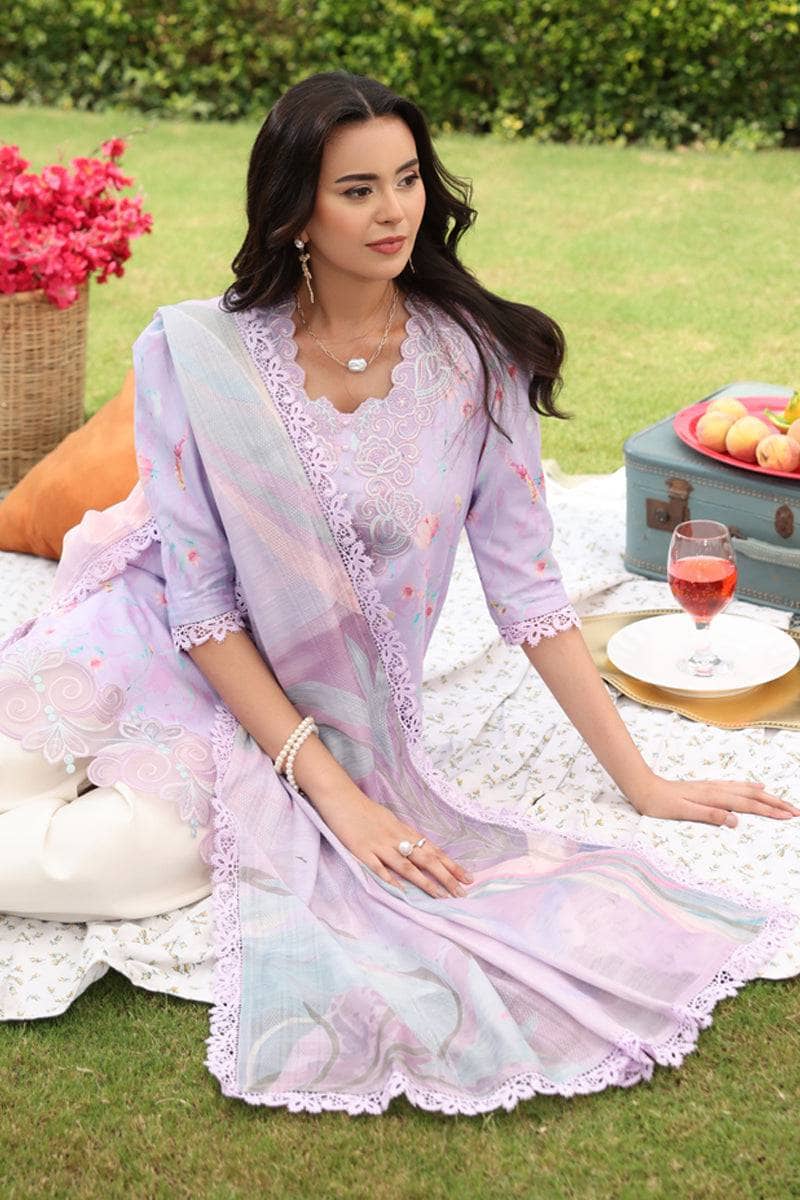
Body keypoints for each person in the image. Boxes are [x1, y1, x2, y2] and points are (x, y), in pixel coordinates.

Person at [0, 71, 797, 1115]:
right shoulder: (196, 354)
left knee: (117, 864)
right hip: (148, 639)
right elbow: (197, 606)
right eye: (357, 189)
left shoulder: (478, 362)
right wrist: (333, 792)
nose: (394, 212)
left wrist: (640, 782)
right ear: (293, 209)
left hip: (282, 720)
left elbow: (531, 597)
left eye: (408, 180)